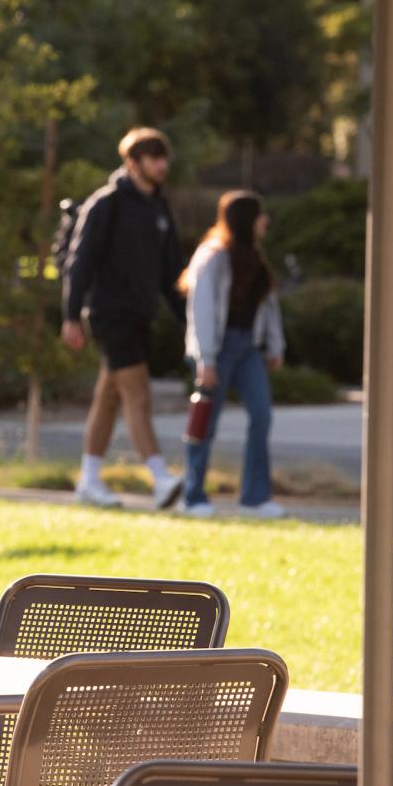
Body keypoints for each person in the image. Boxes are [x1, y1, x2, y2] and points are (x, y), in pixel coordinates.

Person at [61, 127, 186, 510]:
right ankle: (161, 478)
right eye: (153, 157)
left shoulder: (158, 208)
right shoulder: (107, 203)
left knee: (109, 397)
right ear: (133, 163)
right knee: (138, 395)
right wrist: (70, 316)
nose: (162, 165)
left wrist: (187, 319)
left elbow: (170, 272)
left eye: (163, 157)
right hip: (110, 314)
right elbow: (79, 264)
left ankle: (89, 480)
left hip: (140, 315)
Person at [177, 190, 286, 518]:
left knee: (262, 415)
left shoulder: (254, 255)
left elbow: (268, 305)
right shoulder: (212, 256)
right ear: (246, 219)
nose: (265, 220)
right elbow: (202, 310)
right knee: (205, 422)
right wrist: (206, 359)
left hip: (248, 347)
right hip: (217, 348)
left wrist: (275, 345)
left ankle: (254, 498)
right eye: (259, 214)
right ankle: (192, 496)